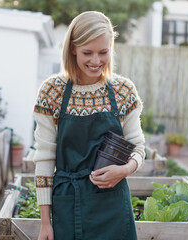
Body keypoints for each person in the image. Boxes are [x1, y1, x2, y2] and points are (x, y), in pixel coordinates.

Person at [32, 11, 145, 240]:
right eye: (87, 53)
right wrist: (45, 222)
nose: (96, 61)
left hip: (113, 206)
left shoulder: (123, 91)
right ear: (72, 48)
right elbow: (44, 159)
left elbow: (138, 148)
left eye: (103, 52)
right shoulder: (52, 92)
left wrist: (124, 170)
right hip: (67, 205)